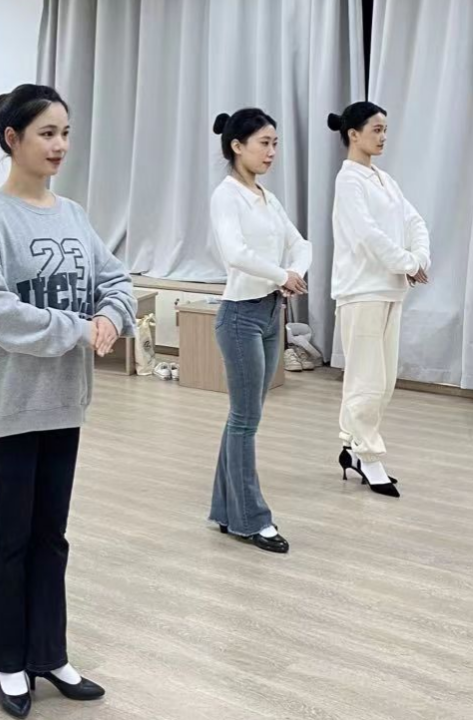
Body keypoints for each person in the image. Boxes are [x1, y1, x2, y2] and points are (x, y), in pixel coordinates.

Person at [0, 83, 136, 718]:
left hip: (64, 399)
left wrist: (111, 316)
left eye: (65, 133)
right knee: (10, 532)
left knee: (50, 535)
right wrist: (78, 329)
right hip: (7, 403)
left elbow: (115, 279)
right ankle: (8, 659)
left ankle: (48, 652)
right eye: (47, 133)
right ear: (13, 139)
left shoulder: (74, 215)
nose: (60, 145)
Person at [208, 108, 312, 553]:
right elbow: (235, 253)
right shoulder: (226, 196)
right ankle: (251, 520)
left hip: (271, 312)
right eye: (264, 143)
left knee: (244, 416)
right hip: (240, 317)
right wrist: (281, 274)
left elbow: (301, 243)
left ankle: (224, 510)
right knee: (245, 420)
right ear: (237, 145)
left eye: (275, 144)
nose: (271, 152)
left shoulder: (267, 197)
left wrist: (293, 272)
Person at [328, 102, 430, 498]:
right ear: (353, 134)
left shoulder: (384, 180)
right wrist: (407, 263)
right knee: (367, 380)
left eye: (385, 129)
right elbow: (368, 236)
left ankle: (351, 447)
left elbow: (414, 221)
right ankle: (368, 456)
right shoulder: (348, 181)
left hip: (389, 289)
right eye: (376, 129)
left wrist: (418, 258)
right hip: (361, 291)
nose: (384, 136)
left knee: (382, 380)